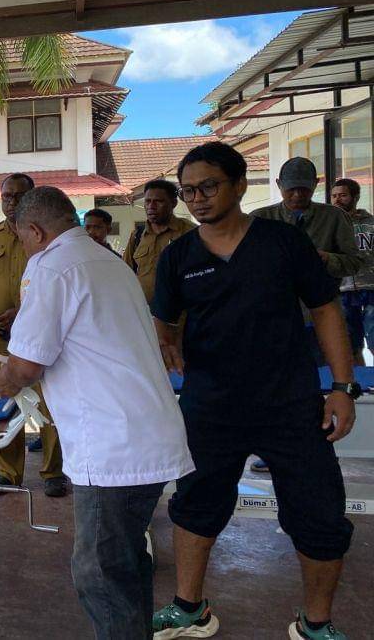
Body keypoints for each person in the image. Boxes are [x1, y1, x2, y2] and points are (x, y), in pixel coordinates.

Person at [150, 142, 355, 640]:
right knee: (194, 505)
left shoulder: (283, 243)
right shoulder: (179, 256)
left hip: (291, 404)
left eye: (208, 186)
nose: (197, 199)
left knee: (320, 514)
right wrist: (166, 344)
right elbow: (164, 320)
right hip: (210, 406)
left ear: (240, 185)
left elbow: (326, 309)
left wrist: (341, 387)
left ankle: (316, 623)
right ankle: (189, 608)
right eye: (188, 191)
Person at [0, 186, 193, 640]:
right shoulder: (108, 260)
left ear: (35, 231)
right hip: (143, 432)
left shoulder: (51, 266)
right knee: (125, 562)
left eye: (22, 239)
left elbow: (27, 364)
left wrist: (5, 379)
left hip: (112, 444)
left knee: (100, 571)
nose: (24, 248)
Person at [250, 158, 362, 473]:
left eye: (303, 189)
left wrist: (324, 259)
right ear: (278, 186)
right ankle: (273, 450)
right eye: (290, 190)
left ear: (316, 185)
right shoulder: (261, 219)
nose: (297, 196)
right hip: (272, 321)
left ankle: (315, 450)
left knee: (315, 388)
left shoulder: (334, 218)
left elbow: (354, 263)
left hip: (319, 320)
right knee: (273, 387)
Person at [0, 173, 66, 498]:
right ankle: (8, 472)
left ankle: (54, 472)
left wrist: (20, 314)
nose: (11, 202)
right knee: (2, 401)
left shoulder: (45, 236)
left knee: (48, 402)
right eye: (6, 197)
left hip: (40, 336)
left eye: (18, 196)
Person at [123, 179, 197, 304]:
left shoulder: (190, 233)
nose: (151, 206)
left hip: (181, 311)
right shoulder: (137, 236)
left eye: (158, 201)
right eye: (148, 201)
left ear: (173, 203)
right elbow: (125, 273)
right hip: (144, 310)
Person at [333, 178, 374, 364]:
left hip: (371, 287)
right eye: (334, 196)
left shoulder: (371, 223)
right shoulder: (331, 225)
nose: (337, 199)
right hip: (343, 290)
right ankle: (358, 378)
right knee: (350, 344)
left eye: (343, 195)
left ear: (355, 197)